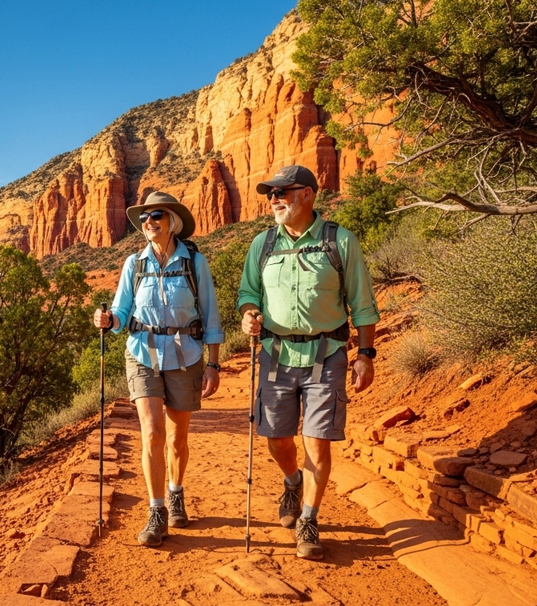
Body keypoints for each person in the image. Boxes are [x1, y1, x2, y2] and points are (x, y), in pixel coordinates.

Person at [237, 165, 380, 560]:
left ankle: (309, 518)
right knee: (277, 438)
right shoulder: (262, 244)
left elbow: (363, 305)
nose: (274, 199)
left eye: (283, 192)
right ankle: (292, 481)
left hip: (327, 355)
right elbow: (248, 292)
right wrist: (249, 313)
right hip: (275, 355)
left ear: (307, 195)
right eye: (271, 193)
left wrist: (365, 356)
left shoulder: (341, 241)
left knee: (317, 440)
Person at [93, 191, 224, 547]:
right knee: (152, 433)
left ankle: (175, 490)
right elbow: (121, 313)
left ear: (172, 222)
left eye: (156, 217)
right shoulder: (133, 264)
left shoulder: (195, 262)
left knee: (177, 436)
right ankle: (156, 511)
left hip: (187, 355)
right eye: (145, 218)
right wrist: (108, 320)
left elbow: (210, 314)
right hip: (142, 354)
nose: (149, 223)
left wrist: (213, 362)